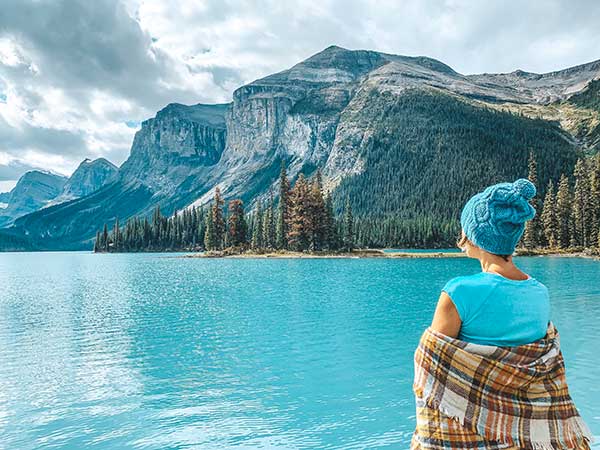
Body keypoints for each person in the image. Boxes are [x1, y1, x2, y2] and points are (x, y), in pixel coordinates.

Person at [410, 178, 593, 450]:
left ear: (475, 236)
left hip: (469, 436)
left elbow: (435, 370)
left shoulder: (458, 292)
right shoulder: (540, 293)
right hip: (523, 438)